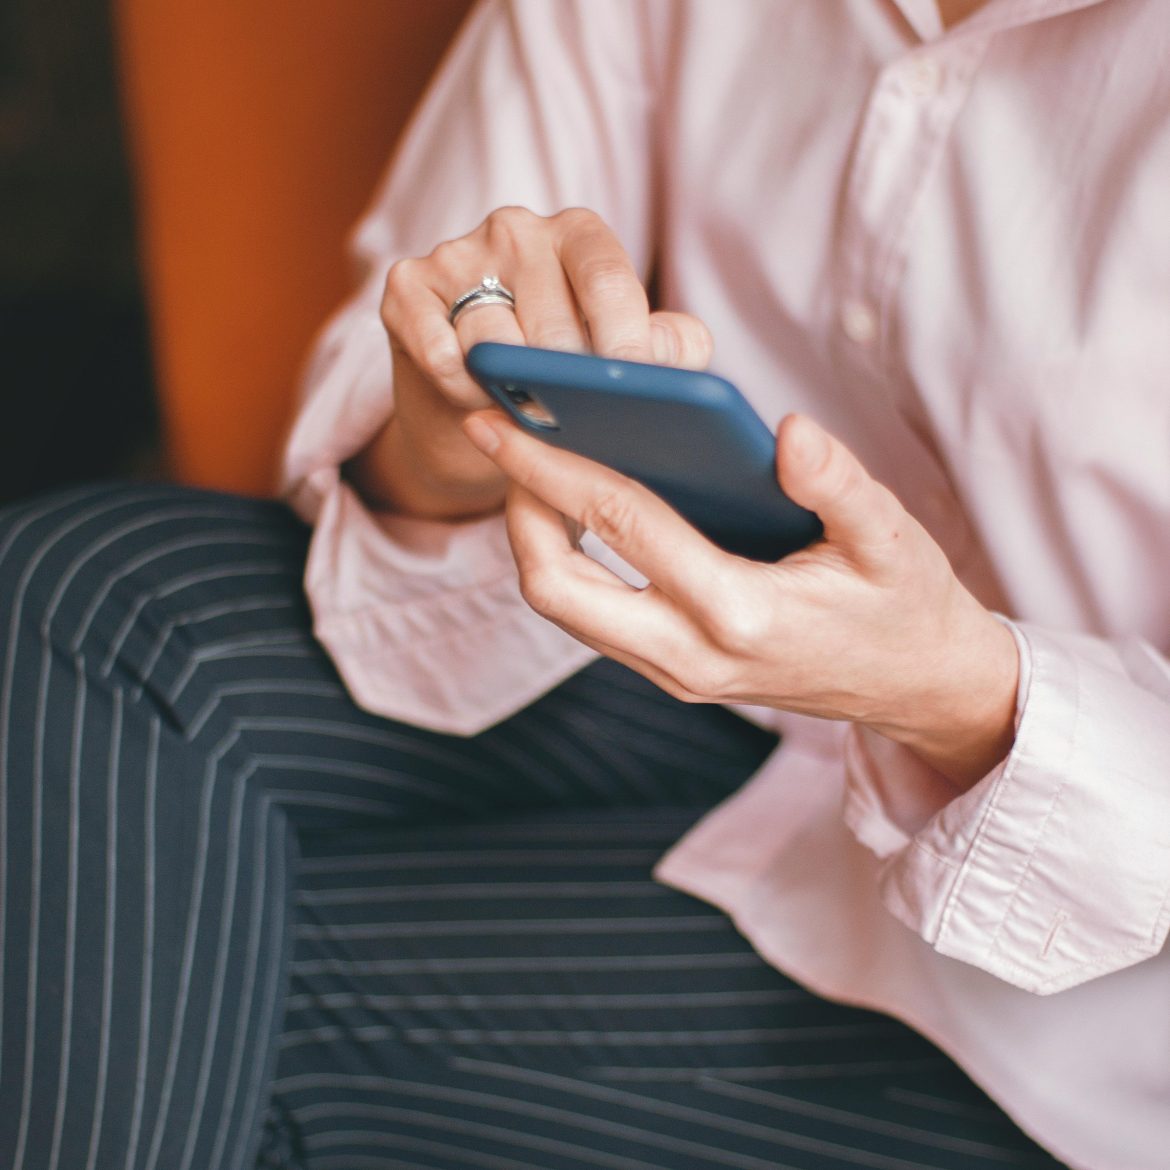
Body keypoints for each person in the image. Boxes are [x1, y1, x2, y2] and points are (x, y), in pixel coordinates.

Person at [1, 1, 1166, 1167]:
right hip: (710, 692)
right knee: (80, 604)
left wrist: (949, 687)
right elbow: (447, 299)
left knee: (189, 998)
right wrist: (446, 442)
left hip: (1081, 979)